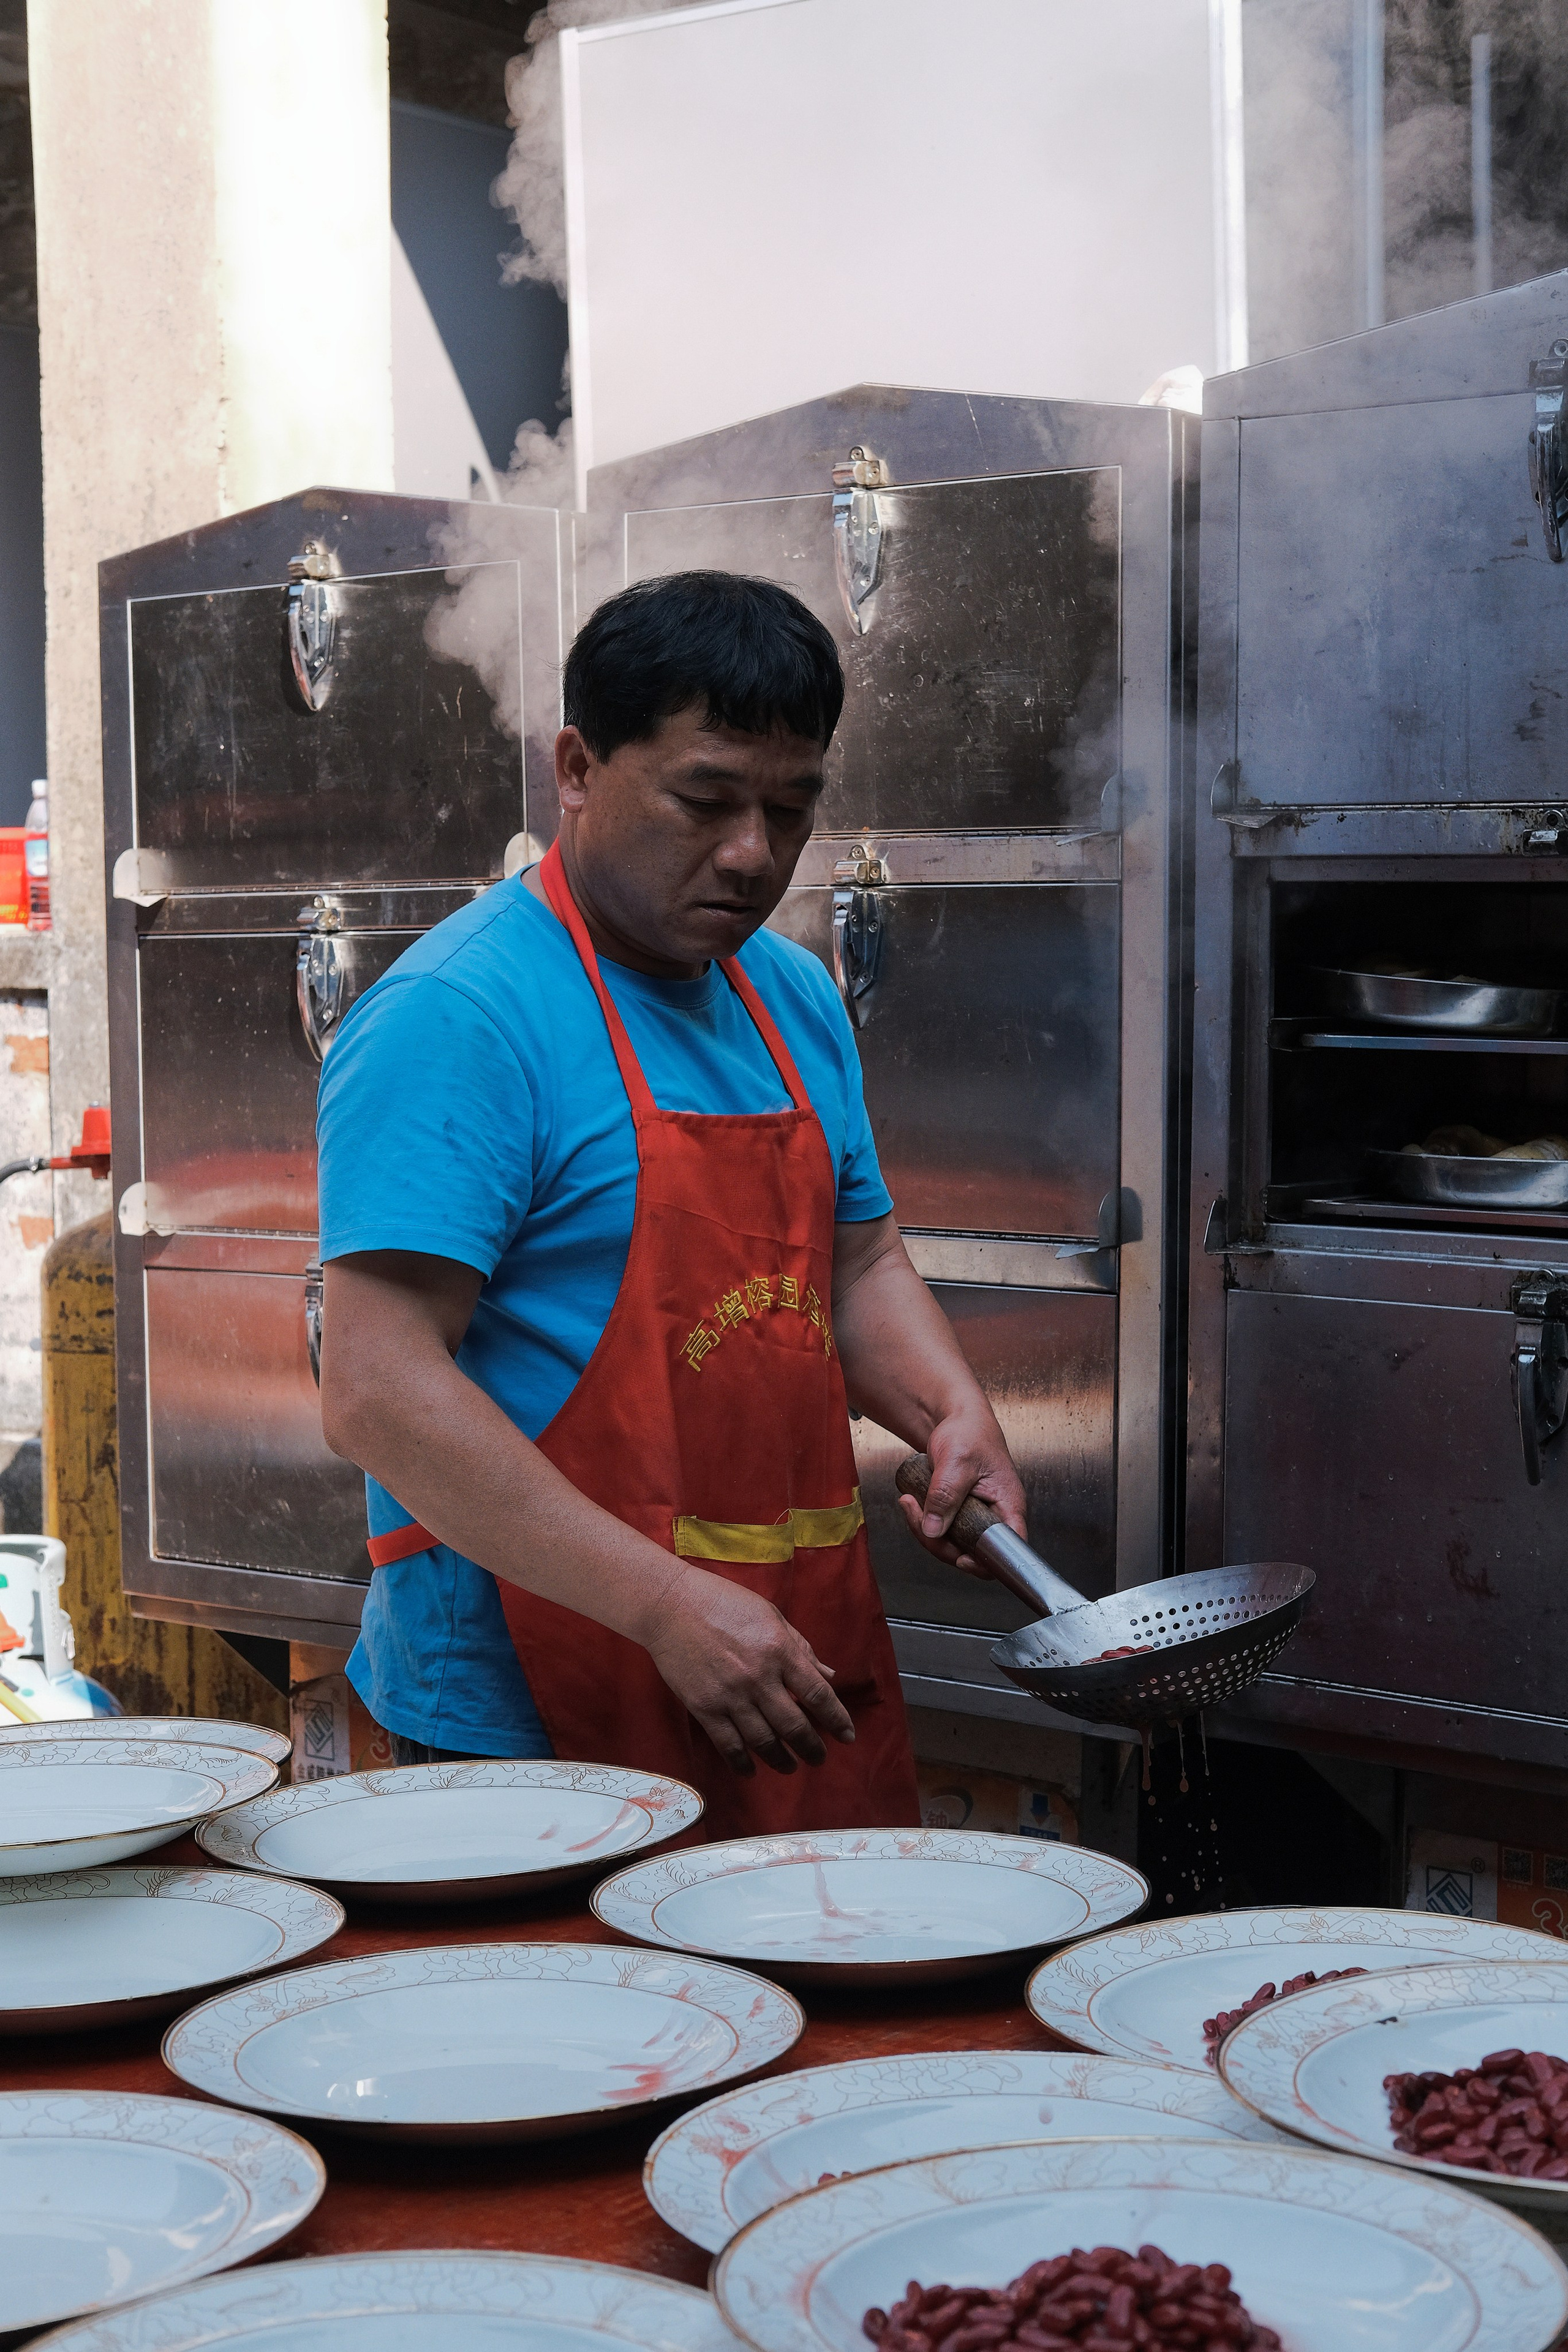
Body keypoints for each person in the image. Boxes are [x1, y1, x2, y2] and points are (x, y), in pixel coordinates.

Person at [316, 570, 1027, 1836]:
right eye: (705, 799)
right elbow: (378, 1387)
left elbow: (855, 1267)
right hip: (524, 1715)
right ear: (578, 768)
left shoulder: (790, 995)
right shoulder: (463, 1015)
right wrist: (660, 1605)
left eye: (789, 809)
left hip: (771, 1663)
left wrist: (949, 1410)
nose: (751, 853)